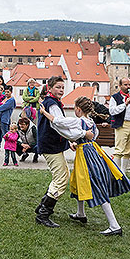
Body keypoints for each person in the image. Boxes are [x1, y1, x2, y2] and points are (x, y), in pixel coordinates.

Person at [40, 96, 130, 235]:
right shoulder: (91, 123)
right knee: (79, 181)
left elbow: (58, 121)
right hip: (93, 151)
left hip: (86, 155)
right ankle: (80, 213)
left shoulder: (78, 121)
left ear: (78, 109)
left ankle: (114, 225)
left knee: (96, 185)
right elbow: (92, 136)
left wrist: (44, 112)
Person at [35, 76, 91, 228]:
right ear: (50, 87)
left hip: (53, 145)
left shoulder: (51, 102)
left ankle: (42, 207)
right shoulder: (52, 104)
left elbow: (59, 128)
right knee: (60, 179)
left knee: (63, 175)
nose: (61, 90)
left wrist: (69, 142)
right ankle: (43, 214)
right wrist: (81, 134)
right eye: (58, 87)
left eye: (62, 87)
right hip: (50, 146)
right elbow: (58, 126)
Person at [0, 86, 16, 150]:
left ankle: (9, 147)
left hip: (4, 119)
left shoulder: (11, 100)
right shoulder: (5, 98)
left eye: (8, 92)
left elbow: (3, 107)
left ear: (11, 92)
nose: (6, 93)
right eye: (5, 92)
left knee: (6, 134)